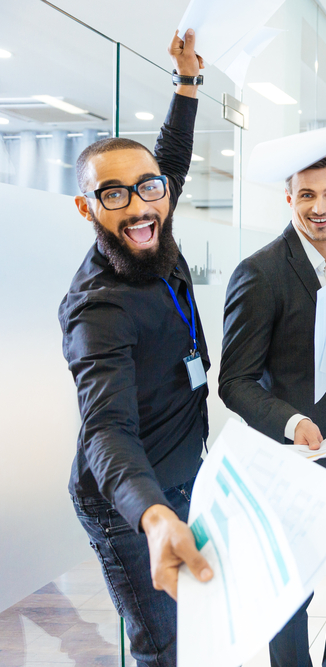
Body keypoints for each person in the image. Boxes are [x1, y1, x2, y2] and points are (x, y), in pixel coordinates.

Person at [59, 29, 214, 667]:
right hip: (127, 503)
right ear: (86, 208)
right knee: (163, 646)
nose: (138, 205)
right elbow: (106, 430)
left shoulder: (153, 212)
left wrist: (186, 82)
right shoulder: (97, 308)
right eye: (112, 194)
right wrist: (151, 517)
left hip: (179, 472)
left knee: (199, 630)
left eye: (148, 187)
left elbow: (169, 156)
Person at [219, 151, 326, 667]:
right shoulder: (261, 273)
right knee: (292, 583)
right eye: (307, 194)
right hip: (292, 452)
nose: (320, 207)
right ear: (289, 198)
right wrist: (293, 424)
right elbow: (234, 382)